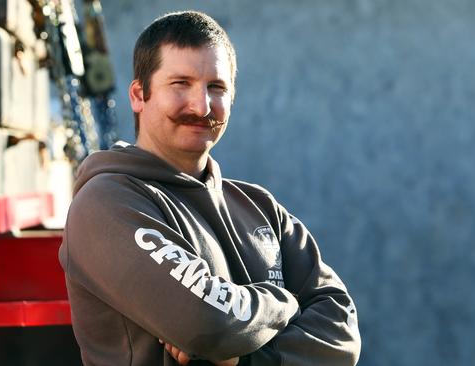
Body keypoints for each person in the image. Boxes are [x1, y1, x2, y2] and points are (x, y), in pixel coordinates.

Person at [59, 10, 361, 366]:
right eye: (180, 84)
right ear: (139, 95)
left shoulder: (261, 208)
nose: (201, 106)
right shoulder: (107, 203)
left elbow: (342, 332)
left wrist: (244, 360)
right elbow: (206, 325)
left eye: (216, 87)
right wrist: (283, 301)